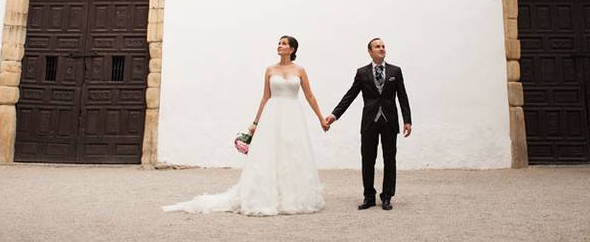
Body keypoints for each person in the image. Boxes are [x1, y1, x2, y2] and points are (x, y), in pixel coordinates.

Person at [162, 35, 329, 216]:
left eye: (284, 44)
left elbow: (310, 96)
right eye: (279, 43)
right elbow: (266, 97)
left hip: (293, 115)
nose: (279, 46)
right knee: (270, 154)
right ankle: (266, 195)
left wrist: (321, 118)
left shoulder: (300, 70)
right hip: (273, 115)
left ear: (292, 49)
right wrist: (255, 123)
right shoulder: (270, 69)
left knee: (292, 154)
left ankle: (292, 197)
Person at [325, 38, 411, 211]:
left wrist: (407, 120)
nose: (382, 49)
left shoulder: (396, 71)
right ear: (370, 51)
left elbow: (402, 96)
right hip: (369, 121)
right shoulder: (362, 73)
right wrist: (334, 115)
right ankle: (369, 196)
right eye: (377, 47)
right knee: (368, 160)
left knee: (389, 160)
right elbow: (350, 96)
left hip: (389, 121)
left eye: (383, 46)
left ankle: (387, 196)